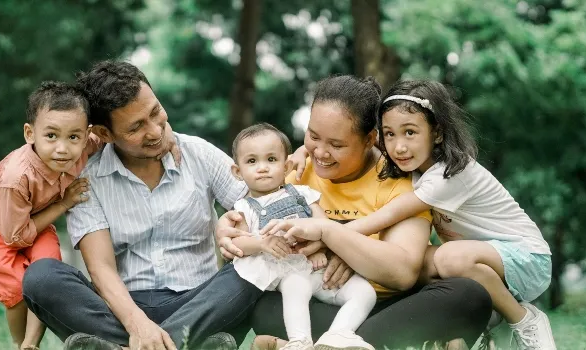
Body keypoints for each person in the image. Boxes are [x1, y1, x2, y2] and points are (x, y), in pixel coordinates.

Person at [218, 75, 493, 349]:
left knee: (470, 296)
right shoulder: (296, 171)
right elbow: (256, 233)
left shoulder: (398, 178)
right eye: (313, 136)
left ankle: (328, 344)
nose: (321, 153)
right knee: (263, 303)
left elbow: (403, 272)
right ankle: (353, 343)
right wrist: (227, 229)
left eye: (336, 145)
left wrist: (334, 238)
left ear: (369, 139)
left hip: (387, 305)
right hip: (316, 302)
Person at [21, 60, 263, 350]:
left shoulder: (197, 154)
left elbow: (265, 202)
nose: (155, 131)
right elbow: (101, 269)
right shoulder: (89, 181)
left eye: (155, 112)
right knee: (41, 277)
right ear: (104, 134)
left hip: (201, 302)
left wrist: (236, 223)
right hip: (122, 311)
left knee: (259, 263)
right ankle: (192, 345)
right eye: (136, 127)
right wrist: (137, 324)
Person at [324, 80, 555, 349]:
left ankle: (524, 319)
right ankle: (481, 321)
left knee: (447, 257)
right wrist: (307, 151)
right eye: (389, 134)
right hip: (481, 262)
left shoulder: (451, 174)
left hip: (529, 259)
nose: (398, 146)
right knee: (409, 262)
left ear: (437, 133)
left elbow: (387, 215)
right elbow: (361, 150)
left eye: (410, 132)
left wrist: (331, 236)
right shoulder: (415, 167)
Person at [0, 81, 100, 350]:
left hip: (36, 220)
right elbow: (14, 237)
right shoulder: (16, 178)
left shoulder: (86, 146)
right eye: (51, 136)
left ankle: (31, 344)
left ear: (86, 136)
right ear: (30, 133)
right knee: (17, 291)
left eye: (73, 137)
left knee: (46, 277)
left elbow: (113, 136)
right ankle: (19, 344)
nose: (62, 148)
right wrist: (64, 203)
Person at [225, 123, 376, 350]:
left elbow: (325, 226)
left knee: (365, 292)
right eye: (252, 161)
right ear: (238, 171)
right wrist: (262, 243)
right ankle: (300, 340)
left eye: (271, 160)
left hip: (320, 271)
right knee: (296, 288)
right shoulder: (245, 207)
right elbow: (238, 242)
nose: (263, 168)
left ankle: (338, 335)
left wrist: (320, 248)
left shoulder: (302, 194)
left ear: (286, 166)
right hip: (288, 272)